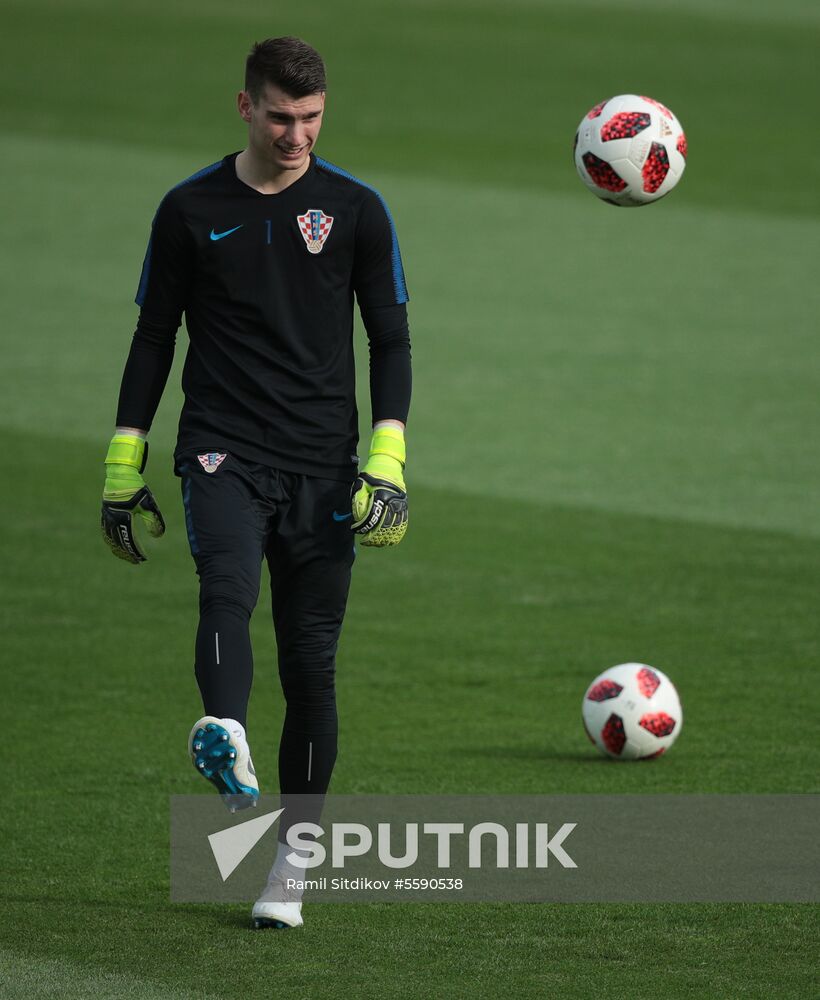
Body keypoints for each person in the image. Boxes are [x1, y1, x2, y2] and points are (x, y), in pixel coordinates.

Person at [100, 36, 411, 930]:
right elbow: (153, 338)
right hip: (221, 449)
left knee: (312, 666)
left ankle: (292, 865)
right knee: (225, 591)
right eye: (280, 116)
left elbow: (390, 341)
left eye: (312, 119)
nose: (296, 135)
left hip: (324, 465)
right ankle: (224, 731)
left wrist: (387, 461)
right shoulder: (189, 208)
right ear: (245, 106)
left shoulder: (356, 210)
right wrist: (124, 462)